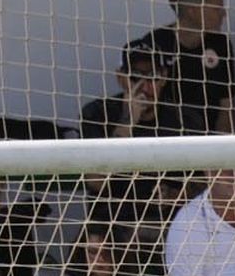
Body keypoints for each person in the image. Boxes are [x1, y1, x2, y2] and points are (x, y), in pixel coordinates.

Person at [78, 39, 192, 247]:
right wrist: (128, 121)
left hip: (170, 227)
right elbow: (96, 181)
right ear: (121, 78)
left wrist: (176, 194)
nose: (145, 87)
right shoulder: (97, 113)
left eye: (153, 77)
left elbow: (208, 184)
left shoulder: (184, 119)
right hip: (111, 230)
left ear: (164, 78)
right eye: (136, 77)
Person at [129, 0, 235, 136]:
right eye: (217, 8)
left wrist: (221, 146)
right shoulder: (156, 44)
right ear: (192, 11)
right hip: (166, 138)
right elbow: (143, 101)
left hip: (209, 141)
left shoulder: (221, 44)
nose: (224, 14)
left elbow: (226, 105)